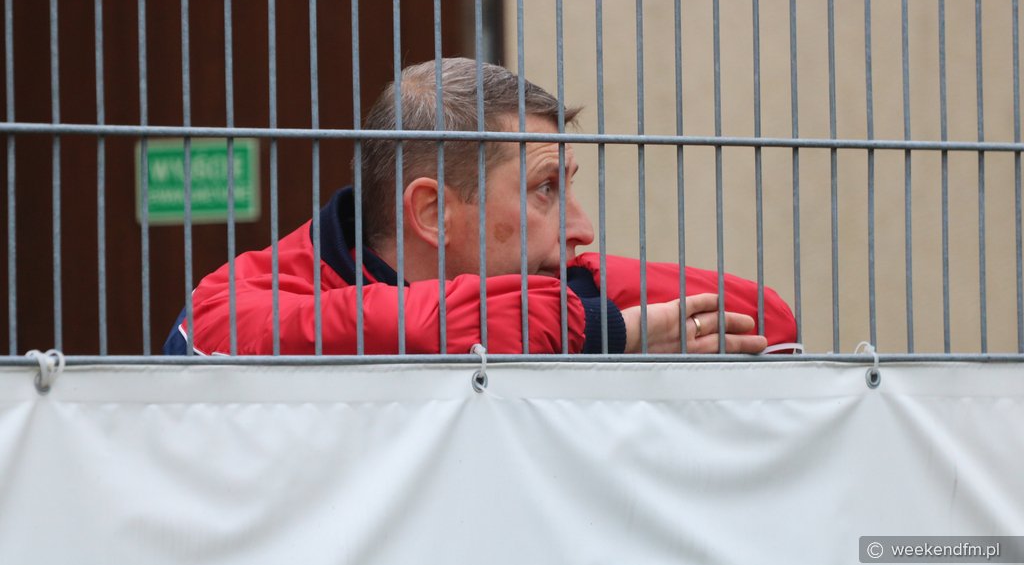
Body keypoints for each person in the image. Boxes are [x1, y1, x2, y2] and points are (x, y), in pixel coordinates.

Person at [164, 58, 796, 356]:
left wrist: (588, 319)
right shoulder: (232, 304)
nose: (581, 228)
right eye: (546, 189)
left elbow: (765, 318)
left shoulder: (562, 288)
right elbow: (425, 327)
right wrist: (613, 334)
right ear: (432, 213)